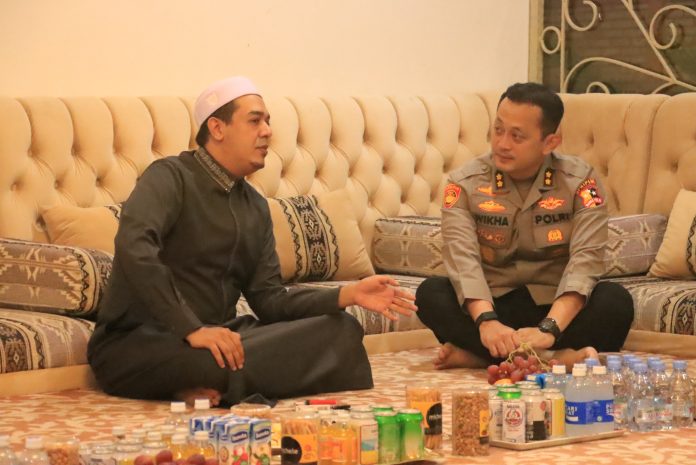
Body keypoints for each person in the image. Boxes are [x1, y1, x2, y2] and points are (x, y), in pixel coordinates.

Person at [87, 76, 417, 407]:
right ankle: (206, 378)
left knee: (341, 330)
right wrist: (190, 329)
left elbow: (270, 300)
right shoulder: (169, 176)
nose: (267, 131)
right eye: (255, 120)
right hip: (141, 341)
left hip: (219, 336)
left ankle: (206, 382)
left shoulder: (254, 206)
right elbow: (135, 248)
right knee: (211, 359)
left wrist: (349, 294)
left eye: (268, 122)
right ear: (217, 128)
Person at [415, 82, 634, 371]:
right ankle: (553, 360)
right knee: (430, 294)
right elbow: (462, 259)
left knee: (615, 302)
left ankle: (484, 357)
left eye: (517, 136)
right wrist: (487, 322)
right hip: (494, 305)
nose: (502, 144)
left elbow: (586, 261)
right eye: (498, 130)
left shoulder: (581, 182)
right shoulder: (464, 183)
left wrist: (549, 328)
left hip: (555, 308)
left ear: (550, 142)